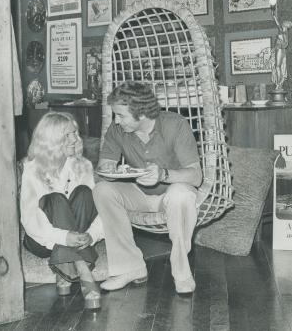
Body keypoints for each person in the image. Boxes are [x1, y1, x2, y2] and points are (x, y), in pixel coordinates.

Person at [93, 81, 202, 294]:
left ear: (141, 114)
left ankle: (182, 272)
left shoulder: (175, 125)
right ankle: (130, 267)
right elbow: (103, 166)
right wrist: (108, 168)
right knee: (102, 190)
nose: (116, 121)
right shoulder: (117, 130)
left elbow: (196, 176)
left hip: (173, 194)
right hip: (139, 194)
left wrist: (163, 174)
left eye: (121, 115)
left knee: (180, 194)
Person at [20, 111, 105, 310]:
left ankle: (62, 270)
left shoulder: (83, 165)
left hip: (79, 235)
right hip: (42, 241)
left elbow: (100, 209)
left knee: (84, 193)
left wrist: (91, 236)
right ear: (51, 140)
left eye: (75, 133)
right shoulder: (32, 169)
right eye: (68, 135)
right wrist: (64, 237)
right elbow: (30, 219)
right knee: (56, 199)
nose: (76, 139)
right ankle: (83, 269)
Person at [271, 5, 292, 89]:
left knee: (277, 67)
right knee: (278, 67)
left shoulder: (283, 33)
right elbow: (277, 23)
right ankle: (279, 83)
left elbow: (284, 44)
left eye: (283, 25)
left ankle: (279, 84)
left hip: (280, 50)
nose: (281, 25)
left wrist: (273, 15)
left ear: (285, 26)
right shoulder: (283, 32)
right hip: (279, 50)